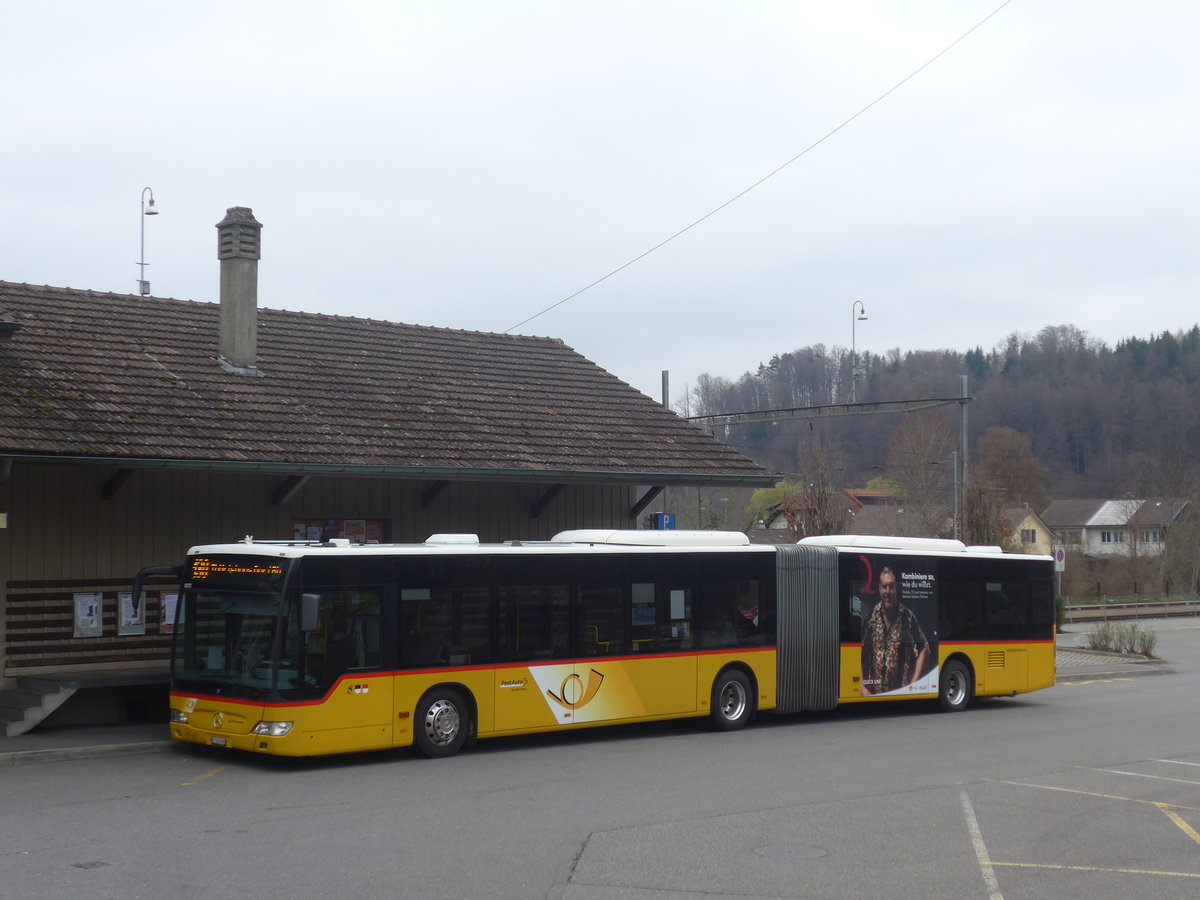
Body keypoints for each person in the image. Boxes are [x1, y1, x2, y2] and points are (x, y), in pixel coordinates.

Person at [861, 566, 932, 695]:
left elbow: (924, 650)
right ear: (879, 589)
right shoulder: (871, 618)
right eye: (884, 587)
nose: (888, 591)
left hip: (901, 691)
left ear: (896, 589)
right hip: (875, 693)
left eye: (891, 586)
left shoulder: (907, 616)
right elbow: (857, 653)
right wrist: (862, 687)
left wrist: (913, 685)